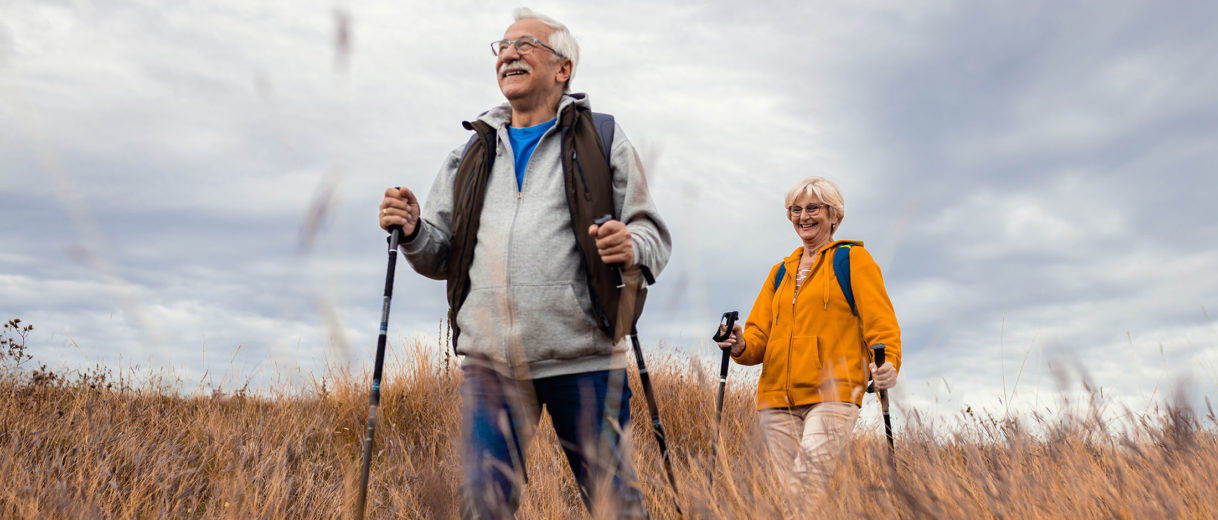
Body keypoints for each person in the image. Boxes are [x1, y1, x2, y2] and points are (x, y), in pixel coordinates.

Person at [378, 8, 669, 519]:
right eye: (503, 46)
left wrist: (631, 247)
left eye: (525, 44)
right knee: (482, 510)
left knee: (615, 507)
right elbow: (439, 254)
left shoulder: (601, 138)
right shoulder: (472, 150)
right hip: (490, 366)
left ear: (563, 68)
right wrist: (411, 230)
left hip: (585, 358)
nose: (508, 53)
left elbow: (652, 234)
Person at [715, 176, 900, 495]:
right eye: (795, 209)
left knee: (804, 489)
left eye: (813, 208)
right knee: (794, 497)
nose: (804, 216)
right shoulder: (780, 272)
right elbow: (759, 337)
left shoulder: (853, 261)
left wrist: (888, 363)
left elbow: (880, 324)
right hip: (776, 400)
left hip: (833, 394)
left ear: (833, 215)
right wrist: (739, 342)